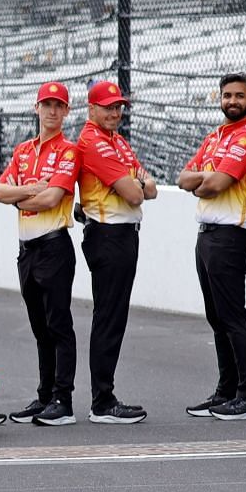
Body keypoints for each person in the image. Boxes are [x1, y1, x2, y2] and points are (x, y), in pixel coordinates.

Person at [0, 82, 79, 426]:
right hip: (26, 249)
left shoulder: (69, 151)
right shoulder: (24, 150)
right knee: (40, 327)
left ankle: (63, 399)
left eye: (59, 105)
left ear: (67, 111)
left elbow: (50, 199)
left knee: (59, 324)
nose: (52, 111)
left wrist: (21, 197)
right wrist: (28, 190)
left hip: (54, 245)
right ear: (36, 107)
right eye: (47, 104)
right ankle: (44, 395)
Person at [178, 74, 246, 420]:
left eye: (239, 96)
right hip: (207, 235)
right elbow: (183, 177)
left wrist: (202, 181)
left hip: (231, 235)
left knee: (232, 314)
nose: (232, 101)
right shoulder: (214, 137)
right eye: (227, 95)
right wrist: (202, 181)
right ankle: (226, 390)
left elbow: (215, 183)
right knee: (217, 318)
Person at [74, 80, 155, 424]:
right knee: (109, 317)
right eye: (107, 107)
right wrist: (137, 183)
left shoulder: (117, 142)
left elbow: (149, 186)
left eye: (118, 107)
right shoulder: (93, 142)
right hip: (109, 234)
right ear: (91, 109)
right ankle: (102, 401)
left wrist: (137, 183)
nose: (115, 112)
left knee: (113, 316)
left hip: (122, 235)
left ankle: (103, 397)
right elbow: (137, 193)